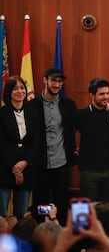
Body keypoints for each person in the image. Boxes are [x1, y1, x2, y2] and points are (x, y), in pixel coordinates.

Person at [27, 68, 78, 224]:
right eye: (54, 81)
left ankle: (60, 235)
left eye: (60, 82)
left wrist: (106, 107)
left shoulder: (68, 104)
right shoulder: (32, 105)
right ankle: (43, 234)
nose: (57, 85)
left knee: (61, 203)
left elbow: (79, 124)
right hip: (40, 164)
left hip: (61, 163)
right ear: (45, 80)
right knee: (41, 204)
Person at [74, 78, 109, 202]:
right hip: (89, 172)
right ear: (92, 95)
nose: (105, 97)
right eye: (101, 94)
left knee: (107, 210)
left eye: (107, 93)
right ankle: (81, 223)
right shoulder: (82, 114)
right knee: (86, 209)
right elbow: (69, 134)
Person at [0, 76, 39, 219]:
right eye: (15, 88)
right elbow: (2, 143)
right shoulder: (2, 113)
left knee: (21, 214)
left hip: (26, 168)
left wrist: (25, 162)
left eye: (22, 88)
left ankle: (20, 240)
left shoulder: (33, 113)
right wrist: (14, 167)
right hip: (4, 169)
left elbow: (36, 142)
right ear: (8, 92)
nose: (19, 91)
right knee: (2, 214)